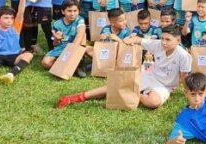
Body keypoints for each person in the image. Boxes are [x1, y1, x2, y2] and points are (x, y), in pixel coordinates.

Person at [57, 24, 191, 109]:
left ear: (178, 41)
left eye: (168, 40)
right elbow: (139, 40)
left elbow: (184, 77)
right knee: (113, 85)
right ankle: (77, 97)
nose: (164, 42)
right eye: (163, 38)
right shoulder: (157, 44)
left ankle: (130, 91)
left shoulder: (184, 55)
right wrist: (129, 40)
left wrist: (187, 92)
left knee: (153, 102)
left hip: (164, 86)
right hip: (149, 76)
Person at [41, 0, 86, 75]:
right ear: (63, 11)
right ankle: (70, 67)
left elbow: (80, 33)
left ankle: (75, 65)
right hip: (61, 48)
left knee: (83, 36)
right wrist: (57, 39)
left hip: (74, 47)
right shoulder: (57, 24)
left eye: (75, 11)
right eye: (69, 11)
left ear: (79, 11)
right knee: (45, 63)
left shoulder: (80, 20)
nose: (72, 14)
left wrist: (71, 50)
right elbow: (55, 44)